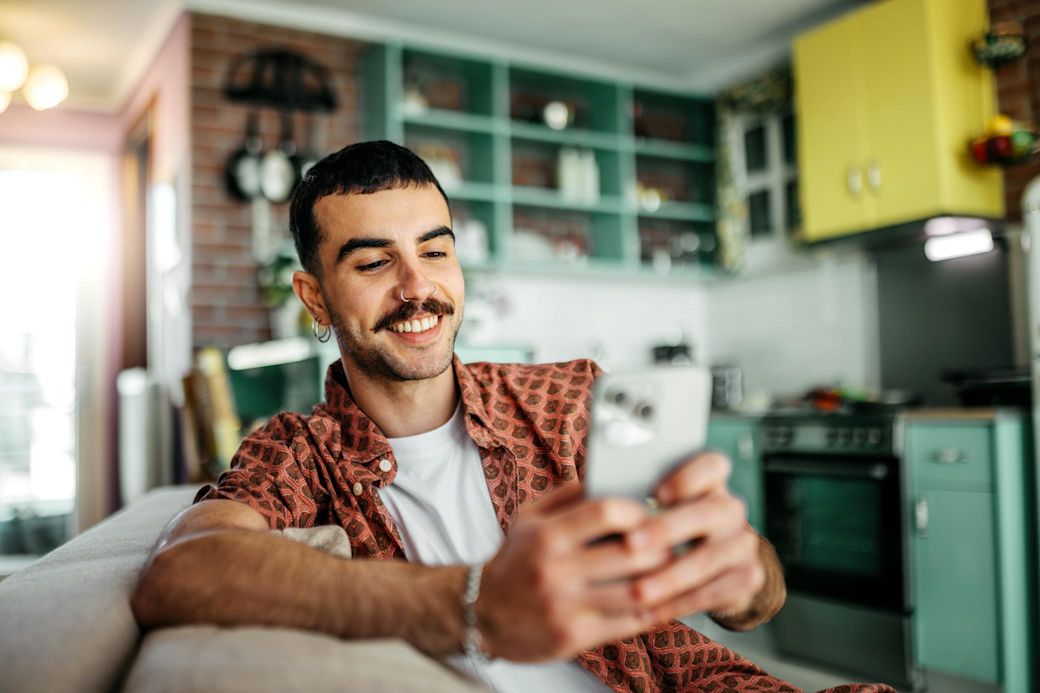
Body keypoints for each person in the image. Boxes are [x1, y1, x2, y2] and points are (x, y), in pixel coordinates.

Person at [132, 141, 893, 693]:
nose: (416, 286)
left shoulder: (572, 397)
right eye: (372, 262)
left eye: (435, 252)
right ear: (315, 298)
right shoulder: (300, 450)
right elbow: (180, 569)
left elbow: (760, 601)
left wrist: (736, 571)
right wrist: (474, 607)